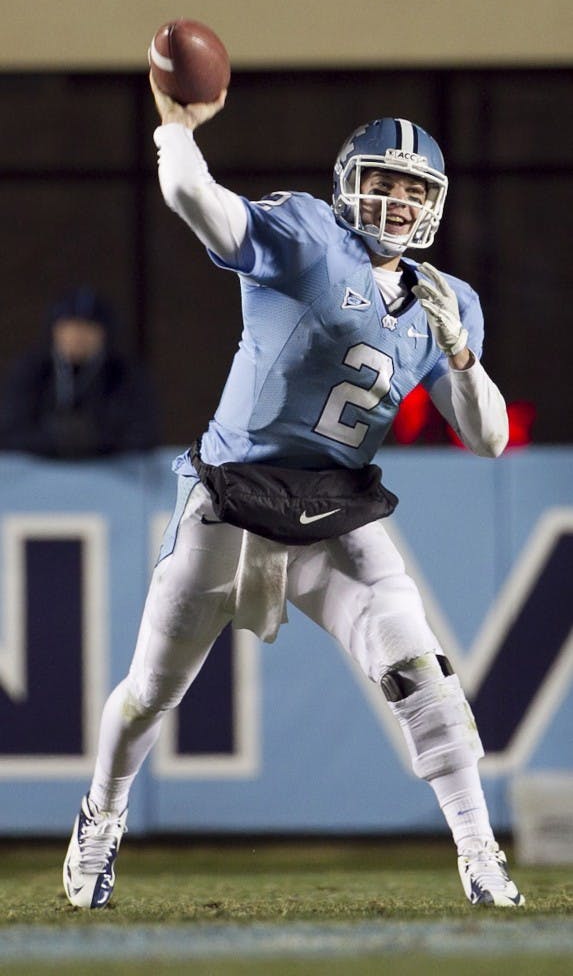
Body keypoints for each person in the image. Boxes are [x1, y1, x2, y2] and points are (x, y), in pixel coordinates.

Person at [63, 76, 524, 910]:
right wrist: (175, 126)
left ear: (435, 203)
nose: (393, 199)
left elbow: (486, 437)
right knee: (146, 697)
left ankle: (481, 855)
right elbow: (192, 197)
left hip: (335, 511)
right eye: (380, 181)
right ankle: (101, 814)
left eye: (411, 187)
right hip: (231, 502)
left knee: (423, 676)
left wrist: (459, 351)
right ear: (350, 183)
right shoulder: (308, 234)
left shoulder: (447, 301)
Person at [0, 286, 159, 458]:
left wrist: (94, 440)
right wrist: (54, 440)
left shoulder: (124, 374)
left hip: (107, 474)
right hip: (39, 474)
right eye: (69, 327)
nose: (77, 336)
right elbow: (10, 430)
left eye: (87, 328)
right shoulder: (32, 371)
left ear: (104, 334)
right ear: (55, 330)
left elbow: (143, 434)